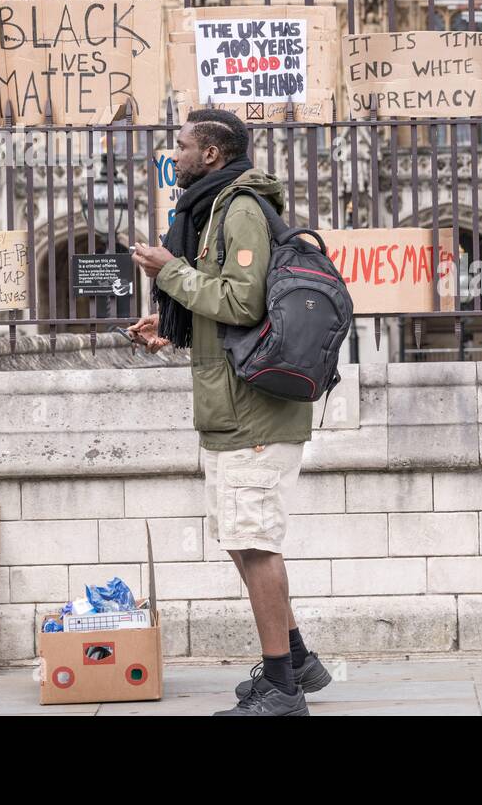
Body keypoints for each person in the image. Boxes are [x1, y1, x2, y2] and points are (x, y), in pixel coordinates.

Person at [128, 108, 332, 717]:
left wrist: (172, 274)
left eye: (183, 145)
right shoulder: (212, 207)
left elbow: (243, 304)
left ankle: (281, 688)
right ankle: (296, 661)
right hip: (230, 409)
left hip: (255, 414)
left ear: (212, 155)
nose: (176, 153)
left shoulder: (239, 209)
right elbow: (231, 313)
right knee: (241, 540)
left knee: (256, 542)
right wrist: (172, 332)